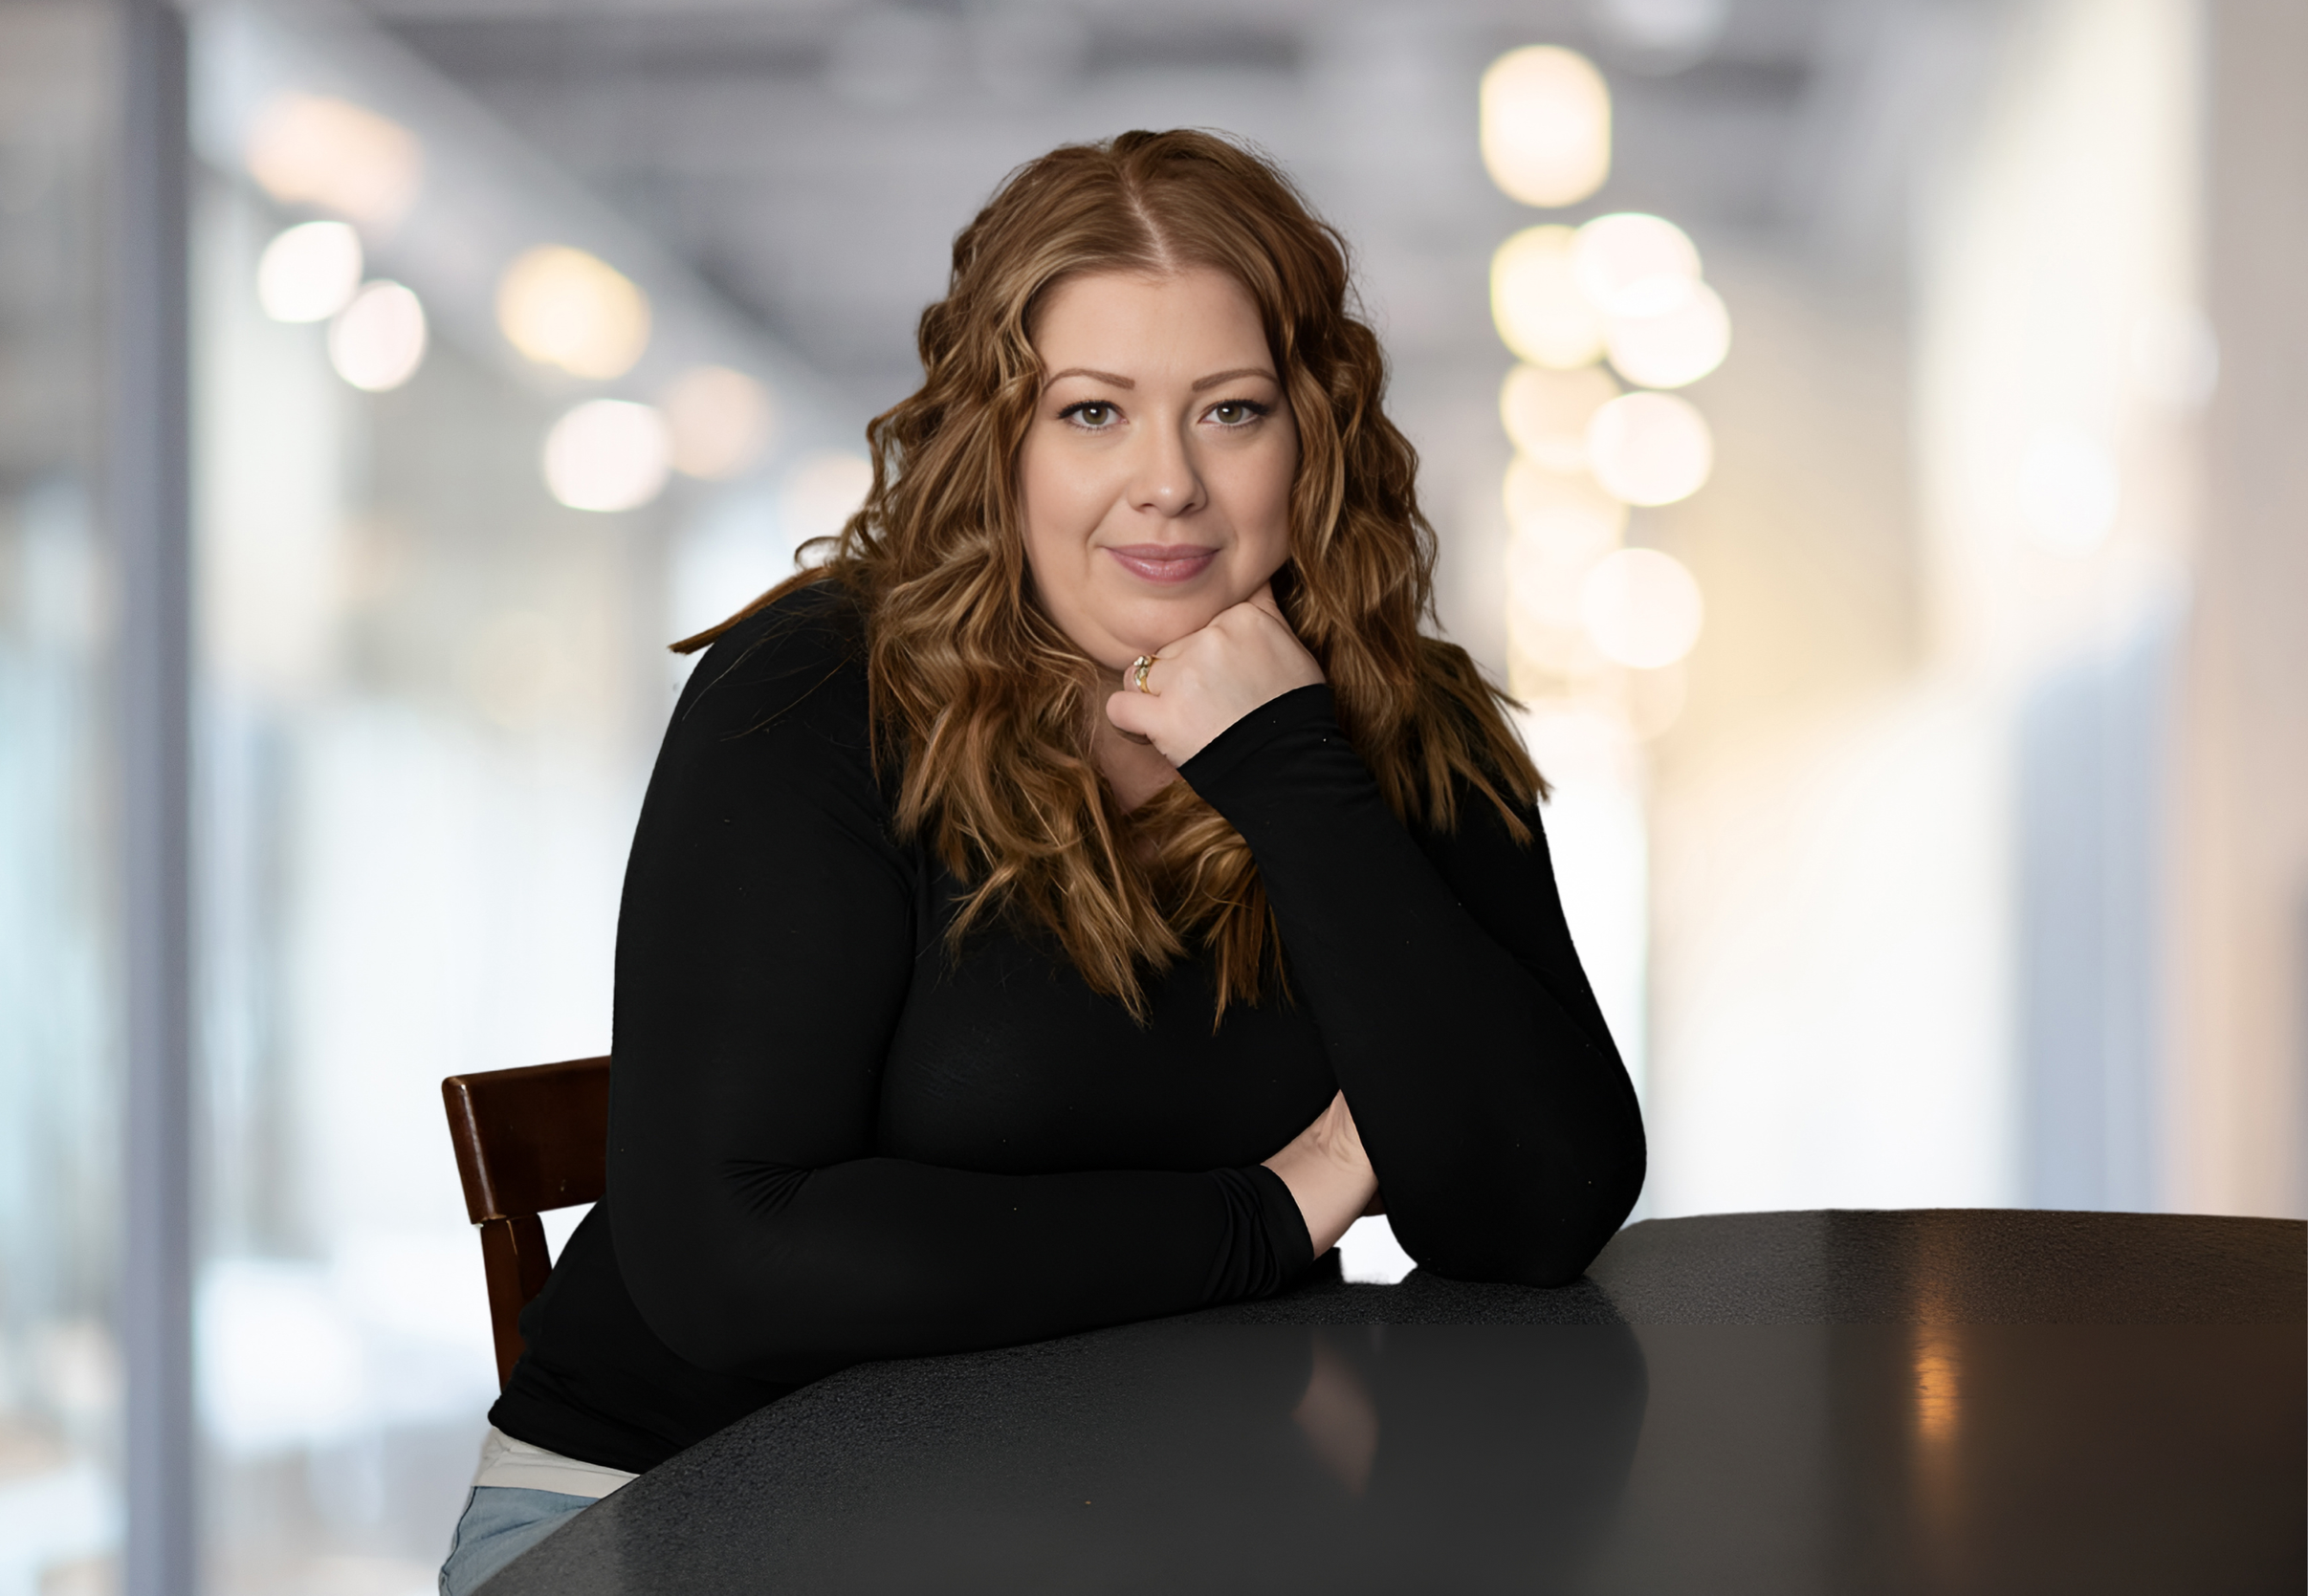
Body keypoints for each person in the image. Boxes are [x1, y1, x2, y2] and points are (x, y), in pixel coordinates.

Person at [438, 128, 1644, 1594]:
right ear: (996, 436)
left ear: (1312, 430)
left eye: (1231, 411)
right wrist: (1270, 1211)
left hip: (1144, 1508)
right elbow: (732, 1259)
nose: (1168, 488)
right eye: (1091, 413)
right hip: (675, 1510)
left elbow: (1535, 1212)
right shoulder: (814, 696)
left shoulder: (1385, 725)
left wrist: (1290, 770)